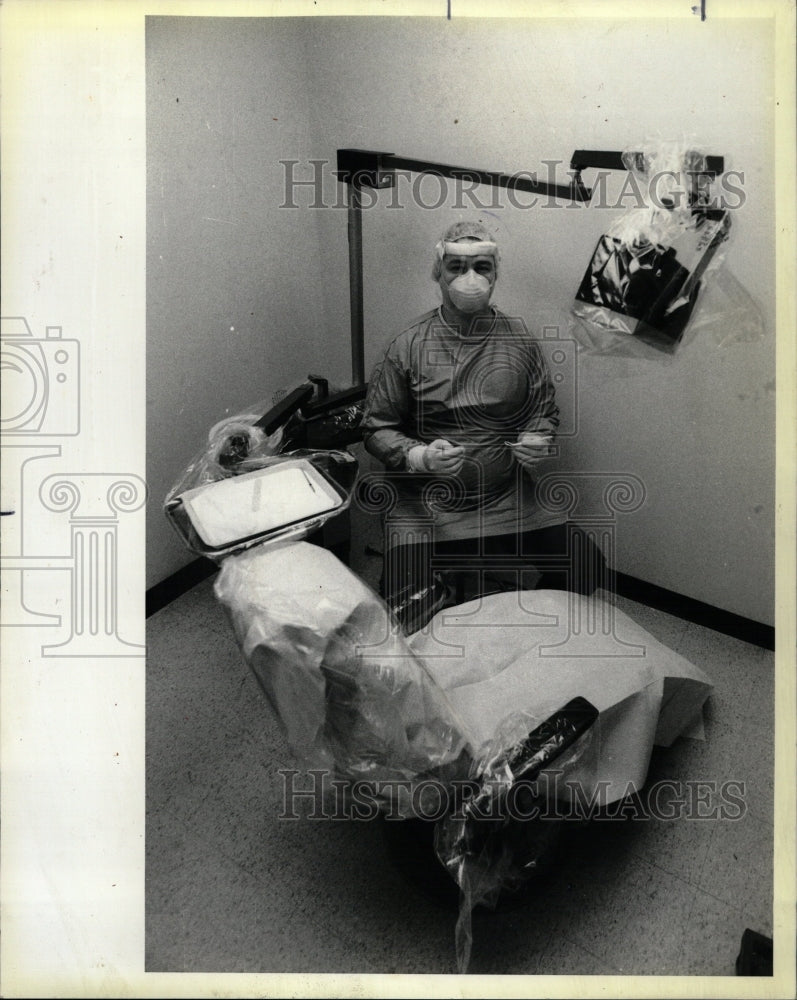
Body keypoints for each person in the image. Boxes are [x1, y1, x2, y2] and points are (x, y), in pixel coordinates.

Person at [361, 220, 606, 624]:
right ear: (437, 272)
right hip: (425, 505)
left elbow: (543, 409)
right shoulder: (407, 345)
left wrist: (538, 437)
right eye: (457, 267)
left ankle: (521, 626)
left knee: (586, 564)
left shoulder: (519, 338)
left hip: (506, 497)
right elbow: (375, 428)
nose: (469, 278)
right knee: (406, 608)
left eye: (482, 266)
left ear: (495, 274)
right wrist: (418, 456)